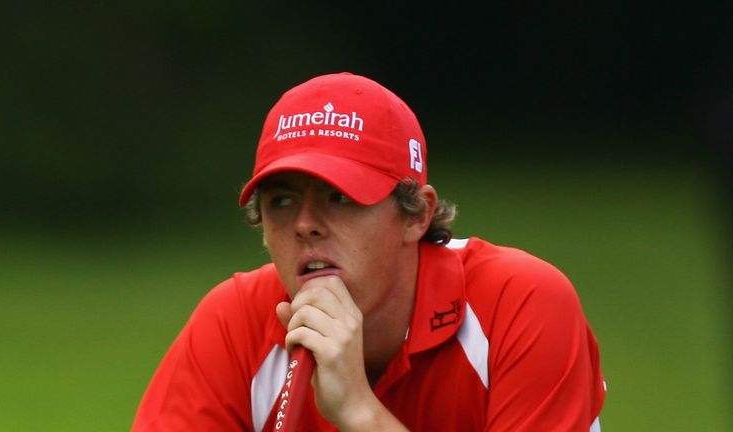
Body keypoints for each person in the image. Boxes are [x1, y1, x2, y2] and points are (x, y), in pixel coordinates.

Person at [132, 72, 606, 431]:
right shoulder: (234, 322)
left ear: (417, 215)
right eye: (282, 201)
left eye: (340, 197)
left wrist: (361, 413)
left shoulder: (519, 303)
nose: (304, 225)